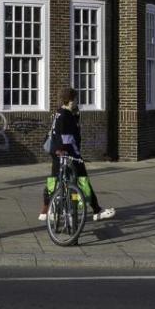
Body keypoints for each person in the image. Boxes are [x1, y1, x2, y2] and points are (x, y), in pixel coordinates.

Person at [40, 87, 115, 222]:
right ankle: (96, 210)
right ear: (71, 100)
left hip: (57, 153)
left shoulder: (59, 113)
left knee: (54, 180)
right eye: (75, 99)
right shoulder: (66, 116)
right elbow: (67, 138)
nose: (77, 102)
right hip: (69, 153)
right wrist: (75, 155)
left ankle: (46, 210)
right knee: (82, 180)